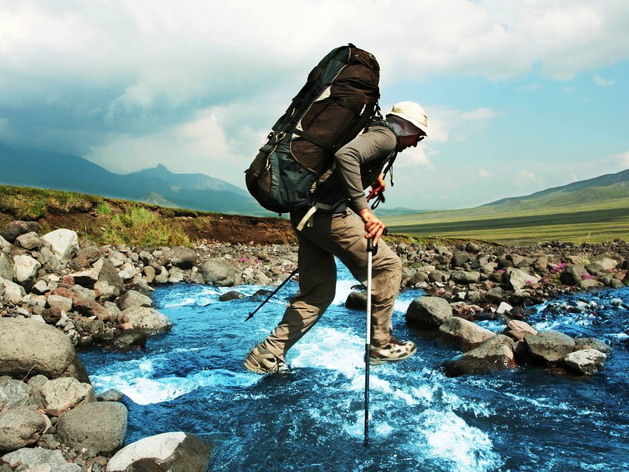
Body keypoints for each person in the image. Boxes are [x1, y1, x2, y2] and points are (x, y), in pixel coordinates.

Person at [245, 101, 429, 374]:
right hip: (327, 216)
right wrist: (365, 213)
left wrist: (376, 176)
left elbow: (350, 158)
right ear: (407, 128)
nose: (416, 143)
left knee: (317, 294)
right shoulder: (386, 137)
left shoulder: (374, 130)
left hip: (306, 213)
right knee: (388, 266)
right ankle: (380, 344)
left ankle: (267, 354)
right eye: (419, 136)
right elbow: (347, 156)